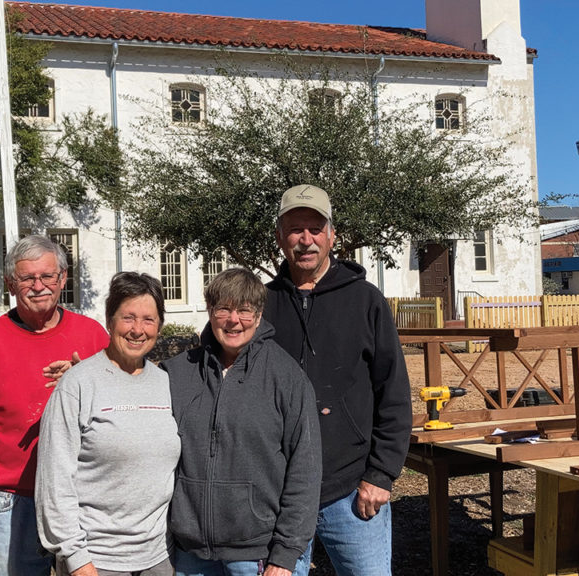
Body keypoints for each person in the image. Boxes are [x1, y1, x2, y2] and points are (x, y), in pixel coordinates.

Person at [0, 235, 110, 576]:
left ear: (63, 278)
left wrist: (86, 380)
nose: (38, 286)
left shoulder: (93, 338)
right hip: (11, 503)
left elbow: (121, 411)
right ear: (10, 284)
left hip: (84, 500)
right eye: (27, 278)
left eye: (47, 276)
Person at [264, 184, 413, 575]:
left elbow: (393, 392)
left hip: (351, 491)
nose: (305, 240)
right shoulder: (262, 305)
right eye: (295, 229)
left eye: (315, 228)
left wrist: (381, 474)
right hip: (279, 493)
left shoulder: (365, 301)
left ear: (332, 236)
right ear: (280, 237)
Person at [162, 267, 321, 576]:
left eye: (244, 311)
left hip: (256, 556)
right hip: (190, 555)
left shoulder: (286, 377)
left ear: (259, 315)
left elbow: (306, 468)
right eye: (223, 309)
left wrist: (285, 554)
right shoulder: (177, 373)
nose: (233, 320)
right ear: (210, 311)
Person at [37, 272, 181, 576]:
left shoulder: (166, 383)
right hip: (97, 560)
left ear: (160, 326)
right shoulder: (78, 384)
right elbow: (54, 481)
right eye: (128, 318)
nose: (138, 330)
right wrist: (76, 559)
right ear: (109, 320)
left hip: (158, 557)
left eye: (148, 320)